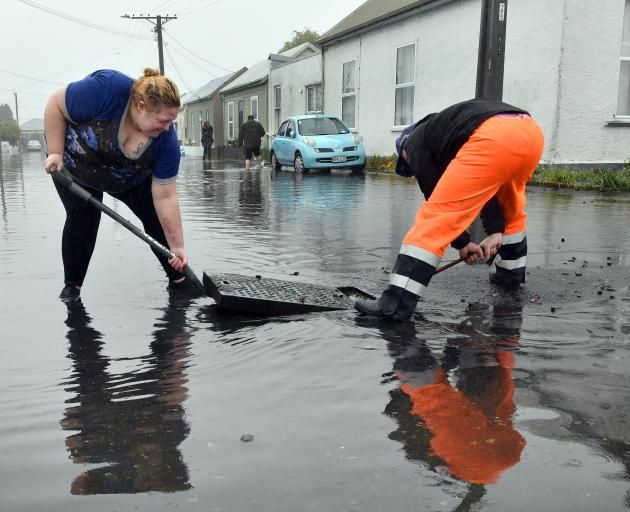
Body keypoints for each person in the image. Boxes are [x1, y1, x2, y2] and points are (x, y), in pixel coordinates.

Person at [355, 98, 544, 321]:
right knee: (510, 207)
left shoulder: (413, 142)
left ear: (404, 152)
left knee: (435, 218)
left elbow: (438, 198)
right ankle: (509, 277)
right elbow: (488, 183)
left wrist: (462, 244)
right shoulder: (450, 132)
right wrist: (495, 232)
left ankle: (394, 304)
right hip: (530, 133)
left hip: (493, 136)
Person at [44, 68, 192, 303]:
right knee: (84, 220)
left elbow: (165, 197)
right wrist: (55, 152)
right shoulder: (106, 90)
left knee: (155, 219)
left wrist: (179, 246)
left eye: (171, 122)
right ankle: (72, 289)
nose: (168, 128)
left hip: (127, 177)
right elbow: (55, 105)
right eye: (163, 121)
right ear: (141, 106)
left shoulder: (166, 142)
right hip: (75, 164)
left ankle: (181, 284)